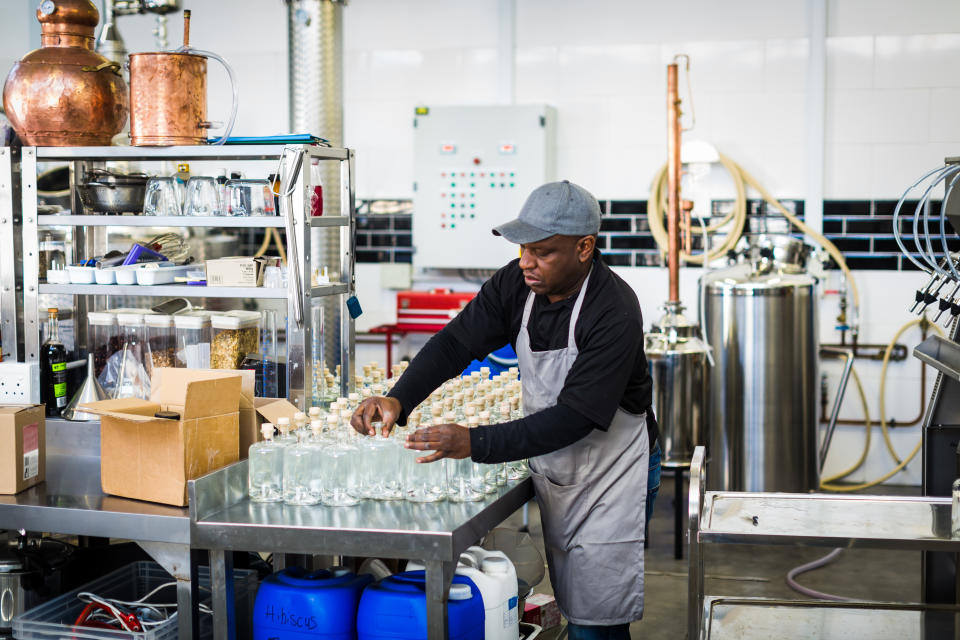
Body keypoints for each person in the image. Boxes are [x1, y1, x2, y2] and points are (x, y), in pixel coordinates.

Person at [352, 180, 660, 639]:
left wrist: (474, 442)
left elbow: (575, 416)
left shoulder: (613, 309)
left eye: (542, 251)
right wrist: (401, 397)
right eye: (521, 249)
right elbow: (457, 341)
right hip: (558, 462)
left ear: (584, 247)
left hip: (611, 474)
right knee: (574, 597)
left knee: (596, 620)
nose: (525, 262)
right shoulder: (517, 284)